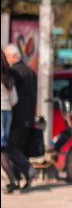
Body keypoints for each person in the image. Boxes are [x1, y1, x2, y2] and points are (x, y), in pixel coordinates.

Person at [3, 43, 37, 190]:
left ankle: (27, 171)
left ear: (13, 56)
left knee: (10, 148)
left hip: (16, 116)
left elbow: (14, 98)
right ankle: (19, 178)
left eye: (7, 56)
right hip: (29, 116)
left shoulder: (14, 72)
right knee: (19, 148)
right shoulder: (31, 71)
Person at [1, 51, 20, 191]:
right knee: (3, 146)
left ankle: (13, 180)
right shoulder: (8, 78)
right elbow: (14, 100)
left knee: (1, 149)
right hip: (8, 112)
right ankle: (14, 179)